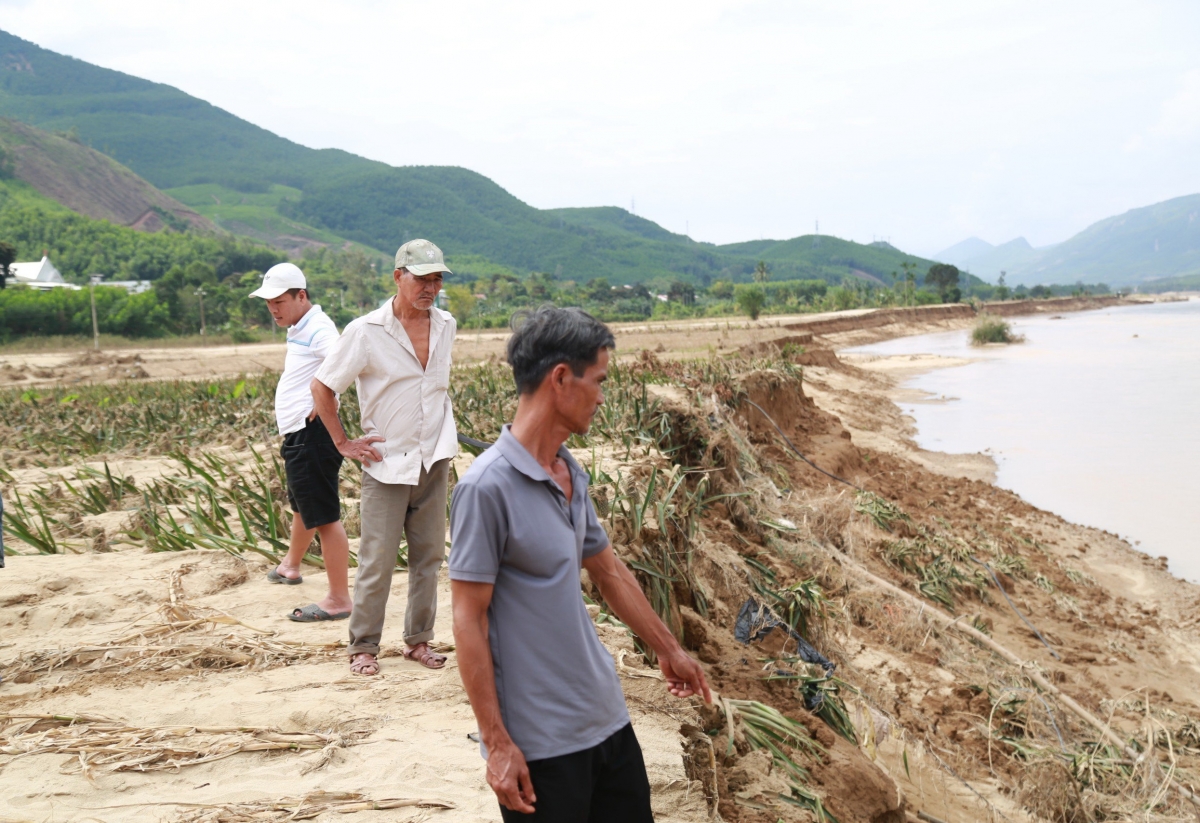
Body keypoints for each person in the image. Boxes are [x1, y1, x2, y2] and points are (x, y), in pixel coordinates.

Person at [449, 306, 711, 822]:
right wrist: (497, 744)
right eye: (600, 380)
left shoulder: (569, 471)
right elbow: (467, 619)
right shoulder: (486, 488)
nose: (604, 396)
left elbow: (609, 571)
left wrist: (669, 649)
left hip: (608, 722)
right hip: (542, 745)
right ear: (561, 379)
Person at [311, 239, 458, 675]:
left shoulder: (446, 324)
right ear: (398, 276)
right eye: (422, 278)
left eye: (437, 279)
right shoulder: (365, 331)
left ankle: (419, 641)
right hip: (386, 463)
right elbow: (323, 387)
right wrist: (342, 443)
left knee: (428, 557)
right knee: (377, 558)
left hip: (434, 458)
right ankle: (364, 647)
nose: (431, 287)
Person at [251, 262, 353, 623]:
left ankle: (339, 598)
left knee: (324, 516)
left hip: (312, 435)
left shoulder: (319, 328)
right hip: (300, 434)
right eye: (269, 304)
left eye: (280, 301)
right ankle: (291, 566)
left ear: (301, 296)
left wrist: (324, 399)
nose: (274, 309)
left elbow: (344, 360)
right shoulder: (301, 327)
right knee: (303, 505)